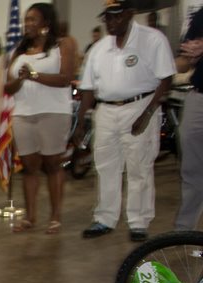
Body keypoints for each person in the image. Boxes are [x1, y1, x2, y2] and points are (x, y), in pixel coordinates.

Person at [77, 0, 175, 242]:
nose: (111, 22)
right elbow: (88, 89)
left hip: (140, 106)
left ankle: (138, 222)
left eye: (117, 16)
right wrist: (79, 124)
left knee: (139, 167)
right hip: (106, 111)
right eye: (108, 17)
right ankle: (105, 219)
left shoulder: (152, 40)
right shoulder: (99, 49)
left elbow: (166, 79)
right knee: (105, 166)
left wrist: (148, 113)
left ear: (130, 14)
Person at [4, 3, 78, 235]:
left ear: (46, 22)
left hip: (53, 112)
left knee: (52, 164)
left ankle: (55, 217)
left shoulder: (63, 44)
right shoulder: (20, 50)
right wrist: (22, 79)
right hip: (23, 114)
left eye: (33, 19)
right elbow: (10, 85)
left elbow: (66, 78)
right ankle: (31, 217)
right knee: (29, 167)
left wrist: (34, 75)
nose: (28, 24)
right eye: (26, 20)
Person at [174, 6, 203, 232]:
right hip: (198, 96)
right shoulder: (200, 15)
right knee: (192, 169)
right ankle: (184, 232)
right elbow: (184, 61)